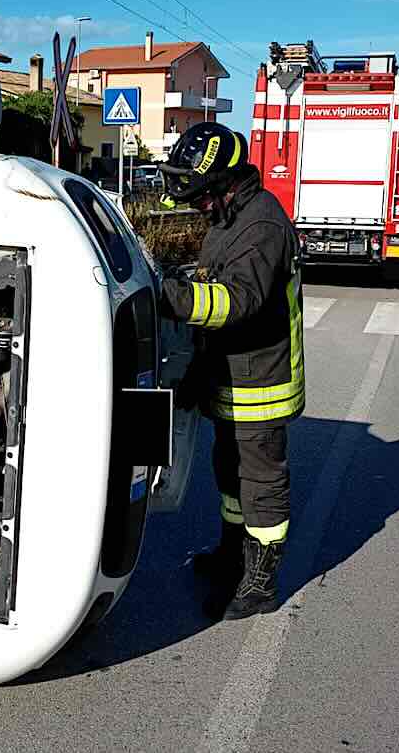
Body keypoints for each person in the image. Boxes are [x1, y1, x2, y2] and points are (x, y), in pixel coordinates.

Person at [156, 121, 305, 621]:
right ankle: (233, 556)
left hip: (259, 382)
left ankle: (261, 582)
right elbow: (213, 278)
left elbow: (236, 300)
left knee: (260, 482)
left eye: (201, 197)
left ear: (225, 182)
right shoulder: (229, 219)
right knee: (229, 475)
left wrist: (169, 298)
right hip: (228, 373)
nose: (198, 207)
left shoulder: (262, 226)